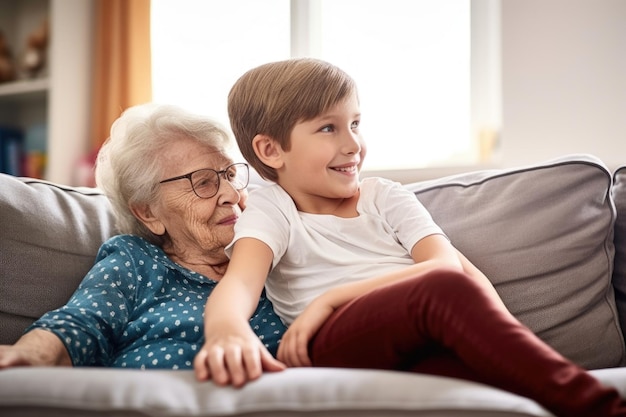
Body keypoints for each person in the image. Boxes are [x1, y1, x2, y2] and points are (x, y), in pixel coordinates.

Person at [194, 58, 626, 417]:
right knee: (441, 289)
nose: (353, 145)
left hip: (420, 338)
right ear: (271, 151)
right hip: (336, 341)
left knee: (501, 394)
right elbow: (240, 283)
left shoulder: (386, 196)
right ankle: (601, 406)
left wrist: (329, 297)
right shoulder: (273, 208)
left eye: (356, 123)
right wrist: (227, 331)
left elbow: (451, 267)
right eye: (328, 128)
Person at [0, 103, 285, 369]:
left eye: (231, 174)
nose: (232, 195)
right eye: (203, 183)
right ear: (148, 212)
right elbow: (82, 323)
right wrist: (32, 352)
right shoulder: (136, 261)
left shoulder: (276, 248)